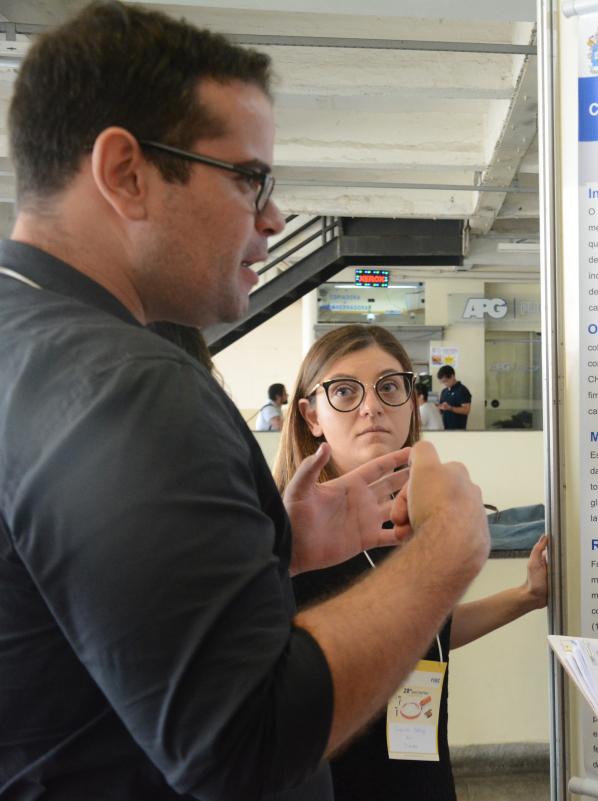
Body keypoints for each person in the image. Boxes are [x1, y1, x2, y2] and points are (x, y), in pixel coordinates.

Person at [0, 4, 490, 800]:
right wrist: (448, 549)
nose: (273, 217)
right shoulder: (130, 383)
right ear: (125, 173)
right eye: (248, 178)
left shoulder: (28, 339)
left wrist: (273, 551)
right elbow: (243, 745)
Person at [276, 324, 548, 801]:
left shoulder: (408, 513)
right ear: (311, 415)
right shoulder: (289, 538)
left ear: (411, 400)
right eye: (345, 391)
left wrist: (526, 596)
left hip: (421, 773)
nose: (372, 406)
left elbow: (424, 629)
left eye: (389, 387)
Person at [437, 365, 472, 429]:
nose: (444, 384)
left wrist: (450, 408)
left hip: (458, 430)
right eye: (442, 382)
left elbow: (466, 410)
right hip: (445, 428)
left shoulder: (462, 390)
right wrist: (438, 407)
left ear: (452, 376)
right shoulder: (444, 391)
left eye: (445, 381)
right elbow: (441, 410)